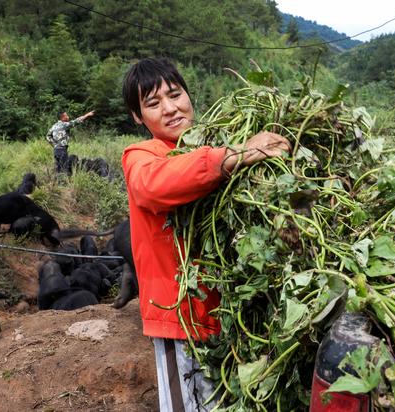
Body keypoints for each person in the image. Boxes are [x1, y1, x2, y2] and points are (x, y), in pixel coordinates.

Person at [121, 57, 290, 411]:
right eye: (153, 104)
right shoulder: (142, 155)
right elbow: (153, 185)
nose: (170, 108)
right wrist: (234, 155)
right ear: (138, 117)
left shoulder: (210, 143)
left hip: (224, 315)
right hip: (179, 319)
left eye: (175, 94)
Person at [45, 110, 95, 174]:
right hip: (62, 150)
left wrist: (55, 144)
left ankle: (57, 182)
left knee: (58, 169)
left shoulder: (54, 126)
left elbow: (48, 136)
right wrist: (87, 115)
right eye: (66, 116)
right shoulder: (64, 125)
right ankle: (64, 182)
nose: (68, 117)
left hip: (56, 150)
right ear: (62, 118)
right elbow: (76, 121)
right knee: (64, 169)